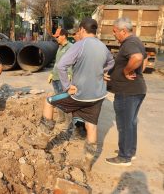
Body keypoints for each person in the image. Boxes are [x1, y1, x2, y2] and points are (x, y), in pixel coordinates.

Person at [29, 18, 114, 171]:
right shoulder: (103, 47)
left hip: (79, 94)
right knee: (92, 126)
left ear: (82, 29)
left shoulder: (79, 45)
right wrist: (103, 73)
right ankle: (87, 163)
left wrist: (67, 87)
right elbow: (111, 63)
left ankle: (41, 141)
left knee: (49, 102)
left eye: (78, 31)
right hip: (98, 95)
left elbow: (61, 66)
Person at [105, 17, 147, 166]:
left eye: (115, 32)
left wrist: (126, 71)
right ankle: (130, 151)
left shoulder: (130, 43)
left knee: (124, 123)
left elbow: (138, 57)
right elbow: (144, 60)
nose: (114, 35)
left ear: (123, 31)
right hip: (135, 89)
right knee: (131, 122)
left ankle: (124, 157)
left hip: (127, 91)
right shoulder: (136, 41)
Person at [48, 28, 73, 123]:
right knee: (58, 98)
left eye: (58, 37)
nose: (56, 38)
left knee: (66, 99)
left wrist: (70, 74)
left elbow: (71, 62)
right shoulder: (60, 47)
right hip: (56, 77)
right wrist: (52, 73)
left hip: (64, 78)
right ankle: (61, 117)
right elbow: (57, 62)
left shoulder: (71, 47)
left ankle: (69, 121)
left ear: (63, 36)